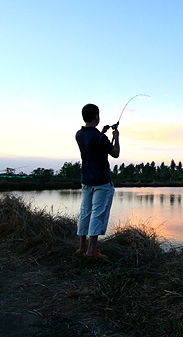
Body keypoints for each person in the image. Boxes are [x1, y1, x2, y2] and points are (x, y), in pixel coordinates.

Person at [75, 103, 120, 258]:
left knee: (85, 212)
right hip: (101, 182)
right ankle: (92, 251)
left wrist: (103, 133)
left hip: (86, 181)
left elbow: (93, 144)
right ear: (96, 116)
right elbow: (115, 153)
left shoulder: (79, 134)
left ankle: (82, 247)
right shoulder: (100, 138)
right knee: (98, 214)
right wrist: (116, 138)